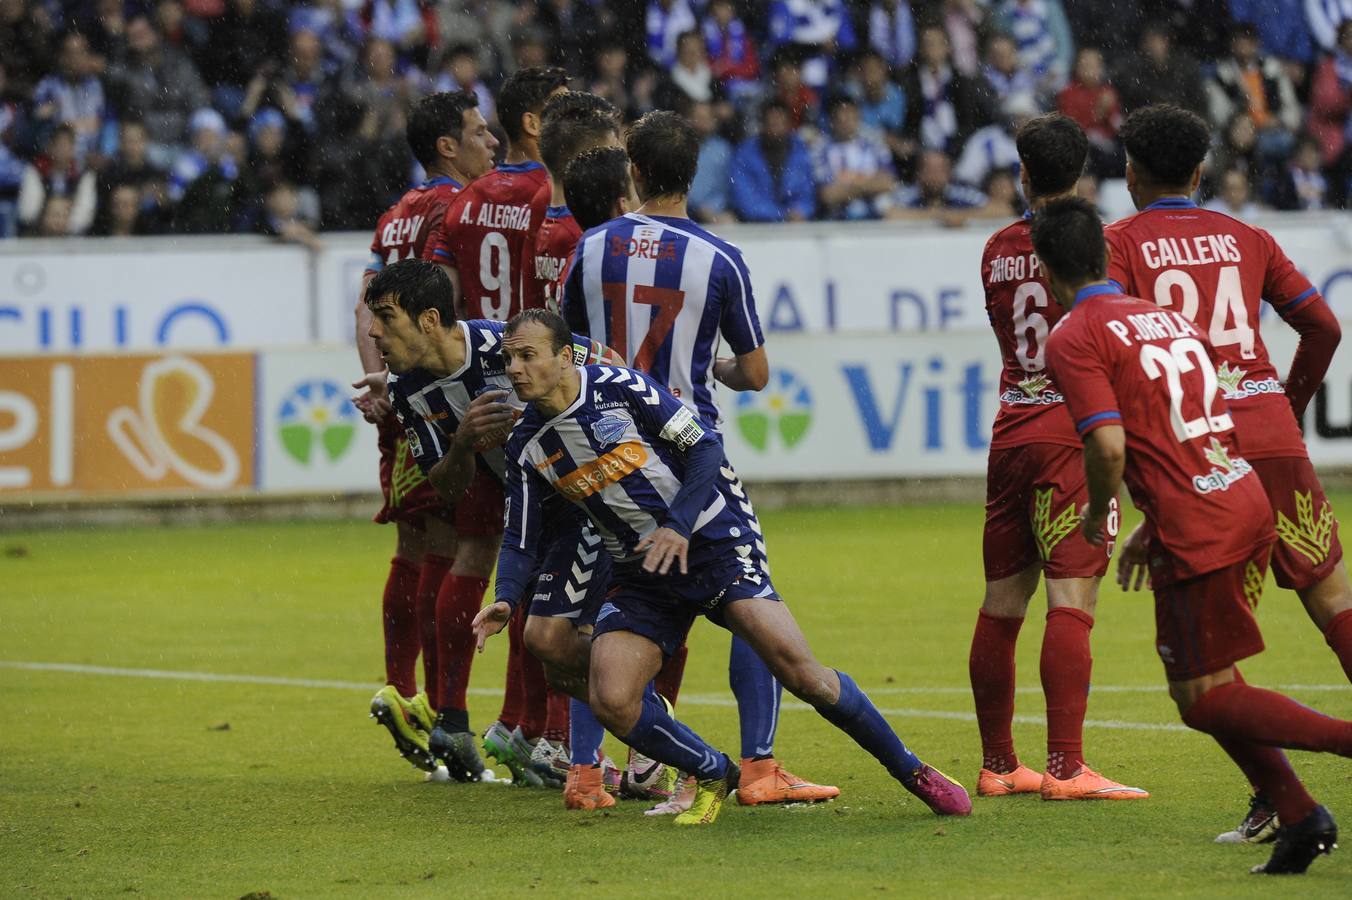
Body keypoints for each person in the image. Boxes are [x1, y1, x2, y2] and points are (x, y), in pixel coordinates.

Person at [475, 308, 971, 826]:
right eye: (509, 357)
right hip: (640, 573)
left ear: (562, 356)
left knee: (802, 675)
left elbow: (705, 448)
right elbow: (520, 536)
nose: (514, 368)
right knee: (613, 700)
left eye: (527, 355)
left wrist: (677, 525)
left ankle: (912, 770)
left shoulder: (619, 387)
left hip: (710, 543)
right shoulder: (525, 443)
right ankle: (714, 770)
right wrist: (507, 596)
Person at [1038, 196, 1351, 876]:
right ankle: (1298, 815)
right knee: (1217, 678)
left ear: (1048, 269)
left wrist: (1099, 515)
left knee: (1203, 697)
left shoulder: (1073, 334)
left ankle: (1334, 760)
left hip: (1199, 522)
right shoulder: (1166, 318)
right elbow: (1204, 419)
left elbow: (1110, 448)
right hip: (1239, 493)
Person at [561, 110, 842, 809]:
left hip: (606, 452)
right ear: (694, 174)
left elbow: (561, 350)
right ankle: (759, 766)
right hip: (684, 453)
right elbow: (757, 371)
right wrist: (711, 367)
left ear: (632, 171)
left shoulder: (592, 248)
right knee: (750, 600)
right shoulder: (717, 258)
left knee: (605, 605)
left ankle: (584, 771)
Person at [1104, 104, 1352, 844]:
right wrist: (1287, 405)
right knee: (1334, 601)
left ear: (1132, 174)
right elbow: (1324, 327)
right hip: (1272, 437)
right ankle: (1281, 802)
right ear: (1202, 171)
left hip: (1198, 450)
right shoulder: (1248, 237)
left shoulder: (1120, 246)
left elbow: (1126, 354)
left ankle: (1278, 795)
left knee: (1207, 669)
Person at [969, 113, 1148, 802]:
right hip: (1071, 432)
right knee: (1072, 598)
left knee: (1002, 601)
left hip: (1011, 429)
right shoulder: (1099, 246)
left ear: (1022, 171)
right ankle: (1069, 768)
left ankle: (997, 763)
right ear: (1082, 173)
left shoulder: (994, 248)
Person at [424, 66, 574, 782]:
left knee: (477, 550)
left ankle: (453, 711)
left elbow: (444, 294)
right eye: (563, 109)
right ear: (537, 122)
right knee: (543, 561)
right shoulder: (553, 195)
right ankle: (529, 726)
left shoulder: (470, 198)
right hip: (534, 383)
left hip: (480, 387)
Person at [354, 91, 499, 780]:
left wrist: (379, 379)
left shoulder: (396, 214)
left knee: (412, 541)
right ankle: (446, 710)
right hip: (446, 389)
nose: (489, 142)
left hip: (402, 390)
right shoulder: (458, 209)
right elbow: (448, 309)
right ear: (448, 146)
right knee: (461, 545)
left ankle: (399, 687)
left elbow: (368, 308)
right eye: (477, 133)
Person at [426, 67, 570, 321]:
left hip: (479, 354)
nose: (576, 122)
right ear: (532, 124)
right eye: (565, 112)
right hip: (534, 354)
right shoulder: (558, 195)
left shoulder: (463, 199)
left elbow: (445, 303)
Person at [524, 91, 621, 315]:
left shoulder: (546, 215)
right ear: (587, 161)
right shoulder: (587, 234)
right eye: (612, 152)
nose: (620, 161)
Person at [729, 100, 815, 222]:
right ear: (762, 125)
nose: (776, 128)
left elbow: (808, 193)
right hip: (755, 226)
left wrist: (800, 210)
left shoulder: (801, 151)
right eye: (771, 123)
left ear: (789, 125)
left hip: (796, 225)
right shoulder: (744, 154)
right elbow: (744, 199)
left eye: (780, 123)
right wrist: (781, 215)